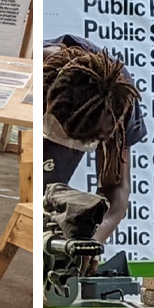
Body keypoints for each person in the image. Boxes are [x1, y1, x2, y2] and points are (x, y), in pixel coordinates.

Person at [42, 35, 141, 242]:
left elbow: (116, 189)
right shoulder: (40, 67)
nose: (68, 145)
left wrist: (93, 242)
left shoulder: (117, 100)